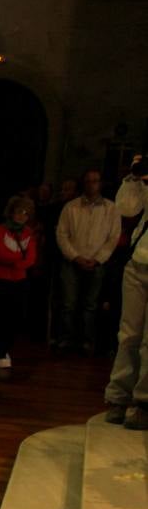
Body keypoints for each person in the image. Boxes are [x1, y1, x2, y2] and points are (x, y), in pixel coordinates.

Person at [55, 169, 120, 355]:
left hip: (96, 261)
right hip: (72, 260)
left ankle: (87, 341)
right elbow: (62, 234)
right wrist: (75, 256)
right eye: (88, 181)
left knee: (90, 305)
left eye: (95, 181)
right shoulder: (71, 207)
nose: (92, 185)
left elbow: (113, 238)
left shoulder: (111, 209)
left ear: (101, 183)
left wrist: (98, 259)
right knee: (69, 303)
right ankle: (66, 339)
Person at [105, 156, 148, 429]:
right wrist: (135, 178)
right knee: (128, 334)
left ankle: (143, 402)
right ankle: (118, 397)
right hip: (138, 262)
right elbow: (126, 208)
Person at [0, 195, 37, 369]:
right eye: (19, 211)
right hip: (0, 279)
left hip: (19, 280)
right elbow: (0, 253)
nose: (22, 216)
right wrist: (19, 260)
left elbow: (31, 258)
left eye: (26, 213)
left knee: (14, 317)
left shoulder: (29, 233)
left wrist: (18, 262)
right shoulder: (0, 230)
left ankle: (5, 349)